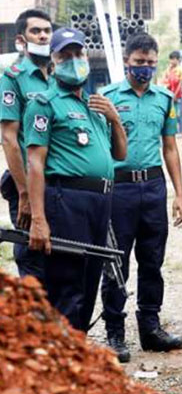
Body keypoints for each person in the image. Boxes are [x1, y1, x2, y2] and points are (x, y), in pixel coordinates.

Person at [23, 27, 128, 332]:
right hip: (67, 200)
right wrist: (39, 219)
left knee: (90, 282)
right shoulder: (44, 102)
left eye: (78, 54)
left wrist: (114, 118)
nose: (74, 60)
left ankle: (77, 356)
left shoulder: (95, 105)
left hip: (101, 201)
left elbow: (120, 154)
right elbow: (35, 161)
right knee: (68, 285)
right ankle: (63, 365)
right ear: (53, 63)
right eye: (65, 56)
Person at [99, 33, 182, 363]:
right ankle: (115, 333)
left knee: (153, 260)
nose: (145, 69)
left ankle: (151, 328)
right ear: (126, 61)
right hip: (119, 190)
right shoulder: (106, 98)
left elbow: (170, 148)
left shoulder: (164, 98)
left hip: (153, 187)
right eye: (139, 63)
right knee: (115, 261)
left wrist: (179, 193)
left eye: (151, 63)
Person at [0, 9, 54, 283]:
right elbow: (9, 139)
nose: (43, 35)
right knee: (33, 259)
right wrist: (24, 192)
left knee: (60, 257)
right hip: (26, 182)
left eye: (47, 30)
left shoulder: (61, 73)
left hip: (58, 184)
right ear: (22, 39)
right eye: (36, 31)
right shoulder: (13, 77)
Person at [161, 51, 182, 133]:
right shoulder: (168, 70)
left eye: (174, 59)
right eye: (171, 59)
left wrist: (175, 95)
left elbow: (180, 84)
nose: (172, 61)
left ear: (177, 60)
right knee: (171, 114)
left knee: (179, 113)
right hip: (169, 95)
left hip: (177, 96)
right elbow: (165, 81)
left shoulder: (180, 70)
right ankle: (173, 130)